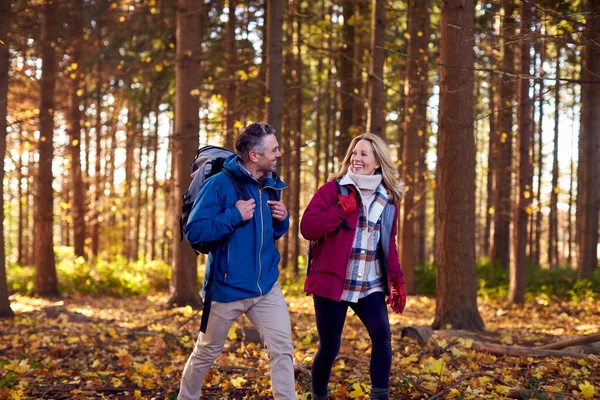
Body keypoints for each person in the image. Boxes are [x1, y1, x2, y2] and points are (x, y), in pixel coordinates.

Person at [178, 122, 297, 400]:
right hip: (227, 288)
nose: (279, 154)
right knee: (206, 351)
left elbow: (269, 234)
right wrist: (234, 215)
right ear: (254, 156)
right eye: (274, 149)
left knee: (282, 348)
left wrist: (283, 219)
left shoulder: (270, 184)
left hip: (266, 288)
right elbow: (194, 231)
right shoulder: (218, 185)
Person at [300, 133, 407, 400]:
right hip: (333, 282)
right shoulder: (332, 190)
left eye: (363, 154)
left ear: (378, 162)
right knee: (329, 346)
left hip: (369, 285)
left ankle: (379, 396)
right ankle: (319, 396)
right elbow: (308, 228)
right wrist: (339, 210)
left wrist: (397, 282)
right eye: (354, 153)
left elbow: (388, 244)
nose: (356, 159)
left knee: (382, 336)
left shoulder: (387, 201)